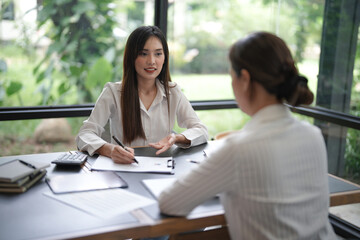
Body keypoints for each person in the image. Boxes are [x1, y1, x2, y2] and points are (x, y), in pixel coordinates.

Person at [158, 32, 336, 239]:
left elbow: (169, 203)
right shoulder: (313, 135)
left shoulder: (240, 148)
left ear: (244, 79)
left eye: (232, 77)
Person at [76, 26, 208, 164]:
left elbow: (201, 130)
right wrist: (109, 149)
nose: (151, 61)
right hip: (126, 168)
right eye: (144, 54)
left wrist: (176, 138)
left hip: (162, 169)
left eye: (158, 54)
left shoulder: (173, 92)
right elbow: (85, 134)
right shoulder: (113, 92)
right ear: (131, 57)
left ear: (165, 58)